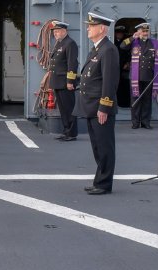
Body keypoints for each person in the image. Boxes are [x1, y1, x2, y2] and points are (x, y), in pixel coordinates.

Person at [72, 12, 119, 195]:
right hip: (91, 106)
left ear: (102, 29)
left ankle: (104, 184)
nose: (88, 29)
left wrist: (104, 107)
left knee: (105, 146)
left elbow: (109, 81)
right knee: (97, 146)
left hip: (100, 108)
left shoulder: (108, 50)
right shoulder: (97, 49)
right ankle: (99, 180)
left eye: (91, 26)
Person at [121, 22, 158, 129]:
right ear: (138, 32)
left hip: (149, 76)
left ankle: (146, 122)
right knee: (135, 100)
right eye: (143, 31)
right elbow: (122, 46)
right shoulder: (134, 42)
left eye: (146, 31)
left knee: (147, 100)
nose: (145, 33)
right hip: (135, 76)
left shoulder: (154, 43)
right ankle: (135, 122)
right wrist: (133, 37)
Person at [47, 20, 79, 141]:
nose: (55, 33)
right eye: (54, 31)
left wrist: (70, 81)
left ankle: (71, 133)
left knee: (69, 108)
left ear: (64, 31)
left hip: (65, 82)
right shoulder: (60, 43)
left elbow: (72, 63)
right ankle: (66, 131)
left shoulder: (70, 43)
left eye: (57, 31)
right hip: (58, 81)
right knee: (62, 109)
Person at [113, 24, 131, 108]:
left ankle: (125, 103)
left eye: (121, 33)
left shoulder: (126, 41)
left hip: (124, 69)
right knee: (117, 87)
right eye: (118, 33)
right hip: (115, 68)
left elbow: (130, 53)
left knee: (125, 87)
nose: (120, 34)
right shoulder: (112, 42)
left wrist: (128, 63)